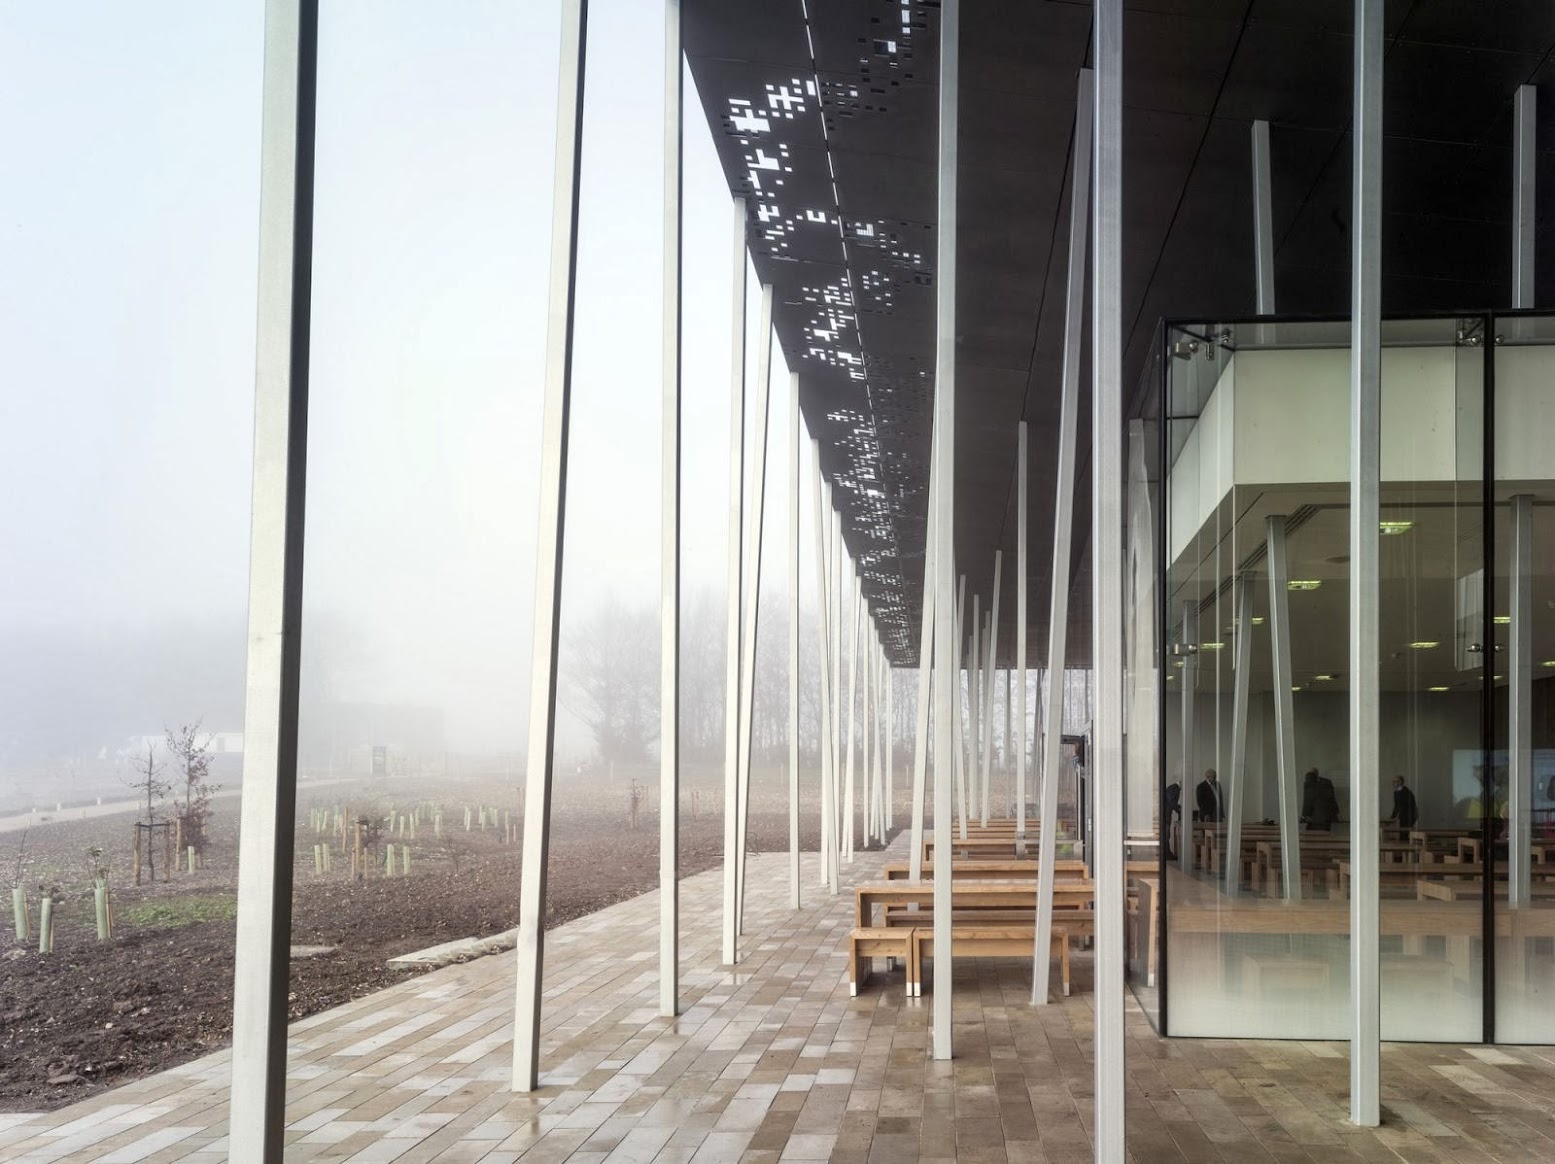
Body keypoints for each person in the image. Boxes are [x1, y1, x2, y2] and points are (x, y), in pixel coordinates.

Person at [1301, 767, 1339, 831]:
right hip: (1330, 815)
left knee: (1315, 836)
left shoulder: (1309, 782)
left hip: (1317, 818)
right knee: (1328, 835)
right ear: (1318, 774)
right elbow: (1332, 798)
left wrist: (1304, 816)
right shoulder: (1327, 782)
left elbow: (1308, 801)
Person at [1163, 781, 1183, 859]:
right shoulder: (1174, 788)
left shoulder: (1173, 787)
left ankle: (1167, 853)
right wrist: (1179, 809)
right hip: (1165, 815)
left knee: (1167, 834)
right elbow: (1171, 801)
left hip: (1166, 814)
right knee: (1166, 834)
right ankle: (1167, 854)